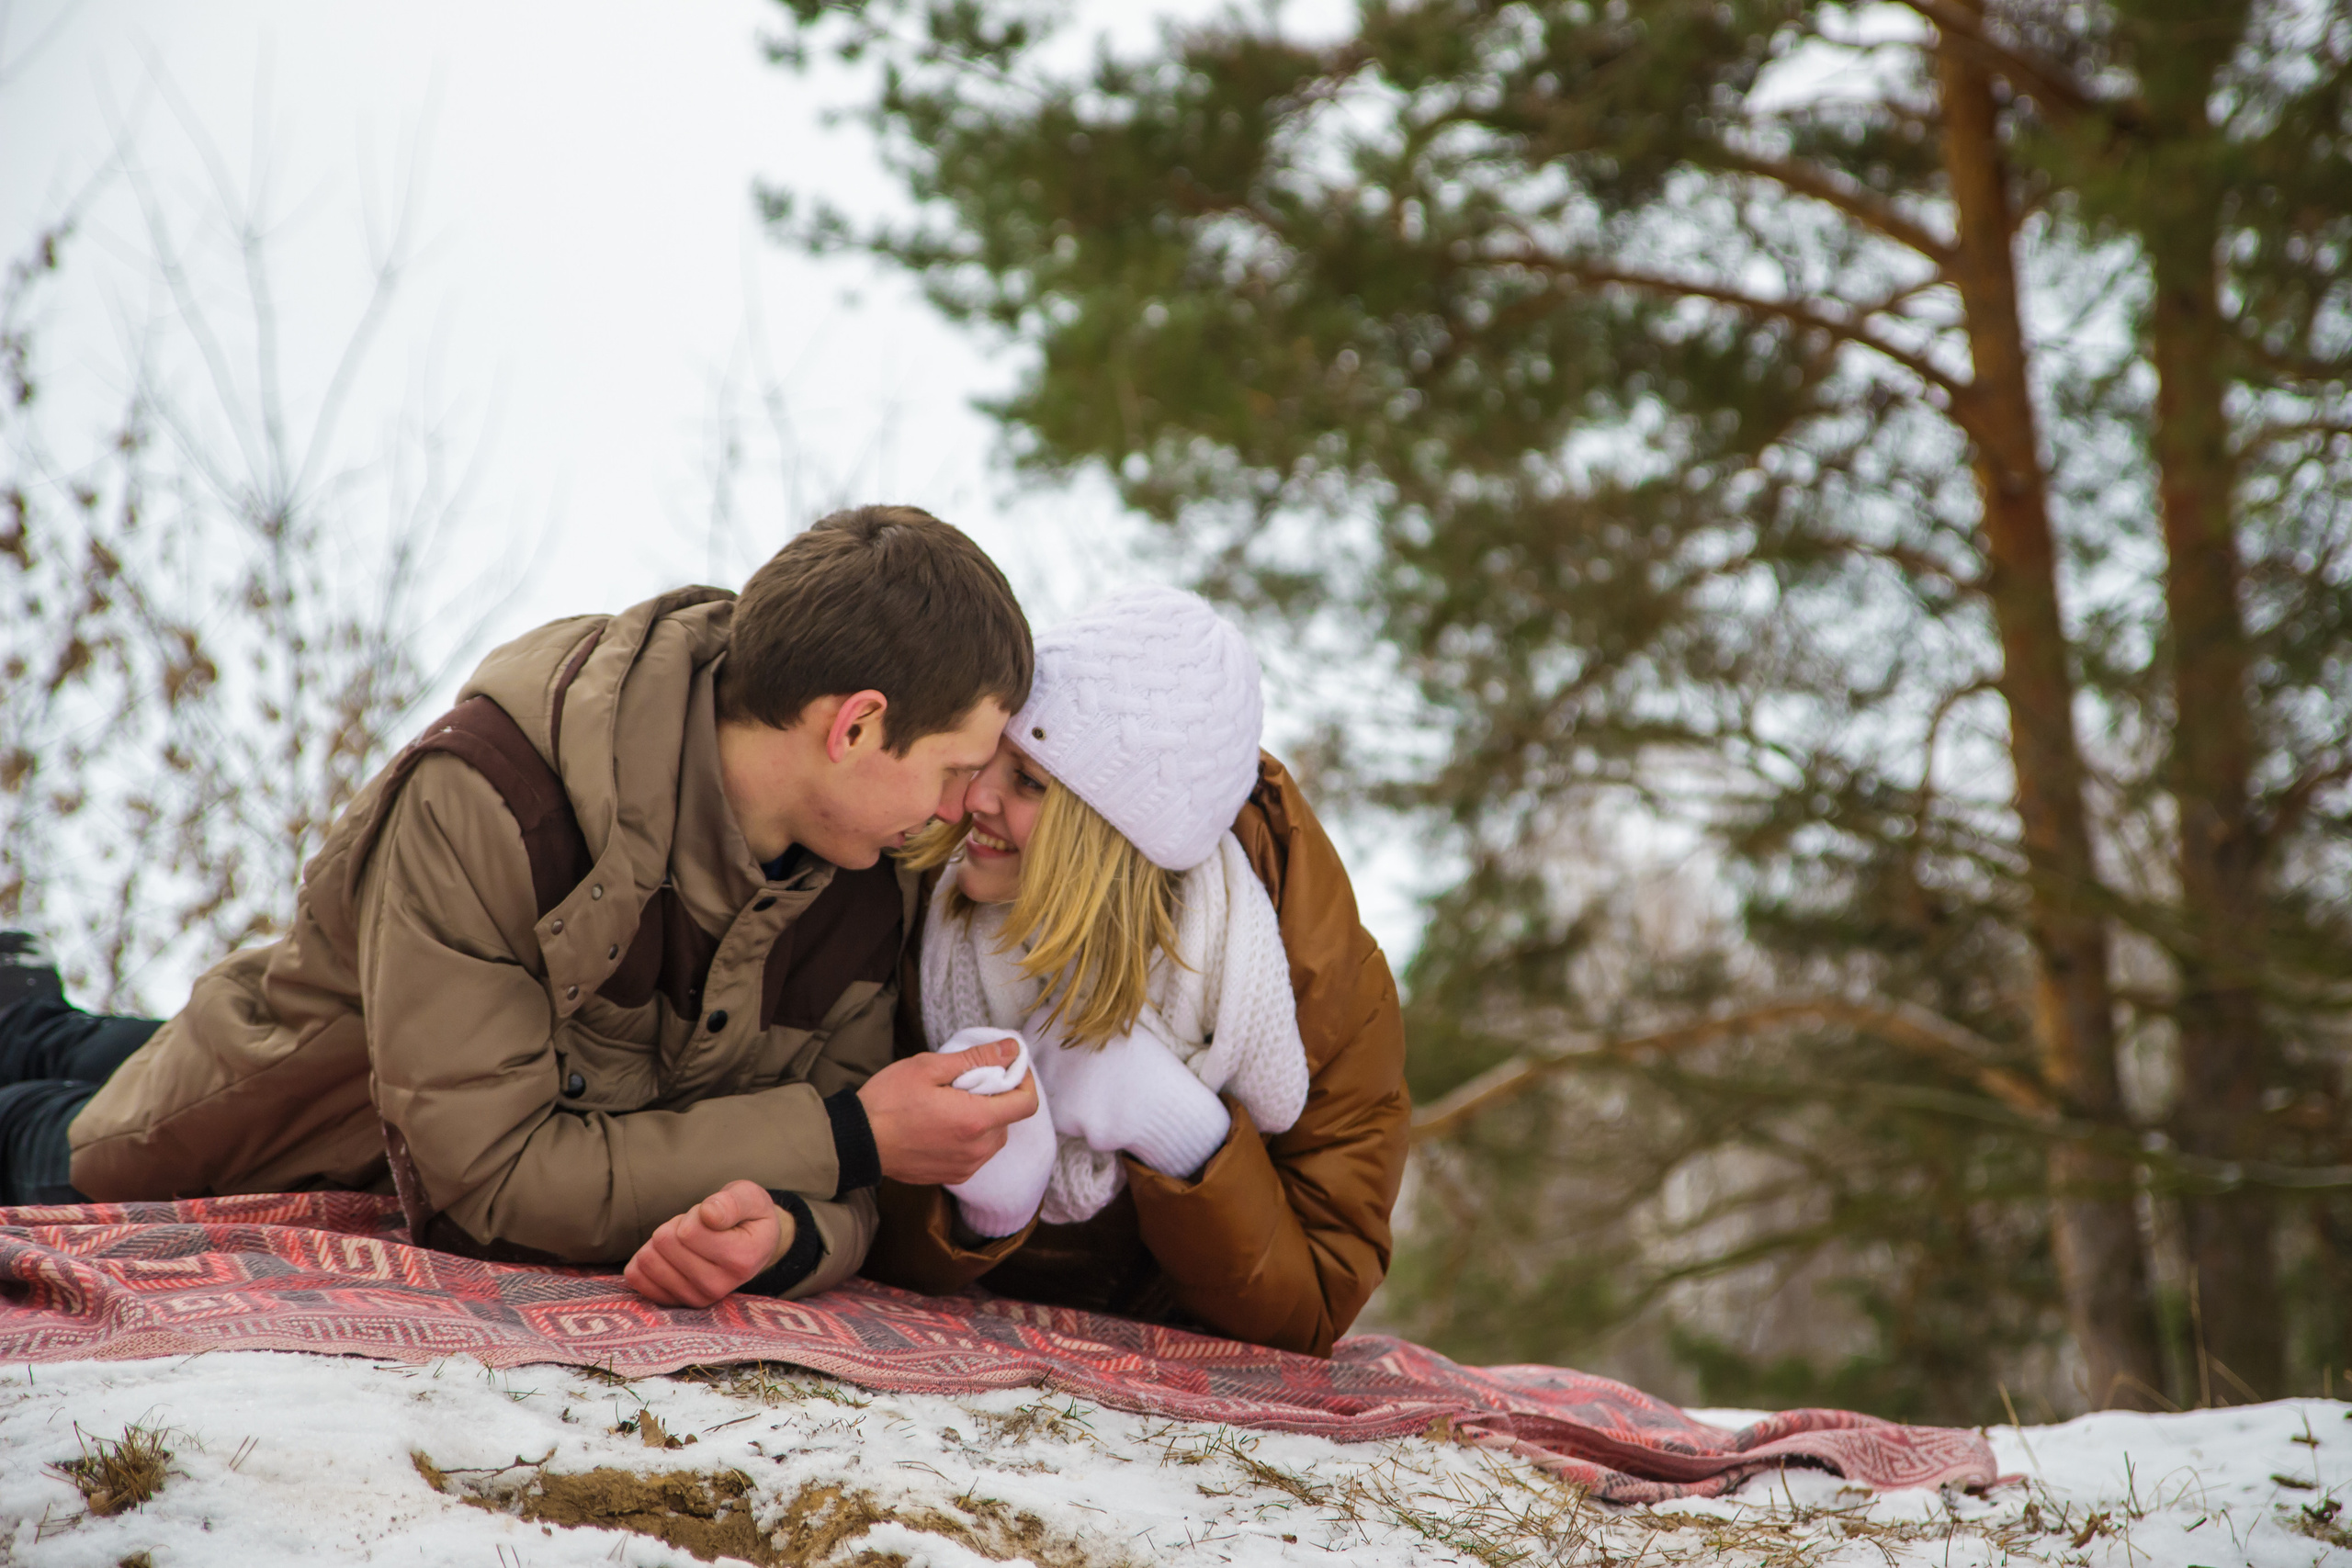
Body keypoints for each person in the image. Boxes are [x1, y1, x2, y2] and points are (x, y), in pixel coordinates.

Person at [0, 505, 1040, 1303]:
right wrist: (845, 1138)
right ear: (854, 727)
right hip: (278, 1118)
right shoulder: (498, 797)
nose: (966, 806)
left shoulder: (868, 869)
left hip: (435, 1066)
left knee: (50, 1029)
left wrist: (783, 1237)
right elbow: (486, 1190)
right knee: (59, 1143)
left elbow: (845, 1189)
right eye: (954, 766)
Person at [876, 585, 1410, 1356]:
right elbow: (843, 1198)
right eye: (992, 756)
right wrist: (977, 1208)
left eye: (1029, 780)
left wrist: (1183, 1134)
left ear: (1114, 832)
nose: (974, 799)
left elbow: (1314, 1304)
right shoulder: (915, 879)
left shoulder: (1316, 978)